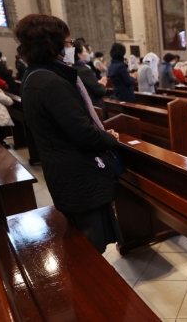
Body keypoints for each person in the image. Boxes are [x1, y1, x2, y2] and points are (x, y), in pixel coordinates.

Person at [16, 14, 123, 253]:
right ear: (51, 44)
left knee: (86, 243)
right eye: (66, 43)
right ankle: (91, 288)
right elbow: (83, 133)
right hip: (78, 177)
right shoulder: (51, 82)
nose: (70, 47)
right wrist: (110, 138)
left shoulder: (33, 75)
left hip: (63, 171)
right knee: (89, 247)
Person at [72, 41, 107, 108]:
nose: (88, 53)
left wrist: (96, 82)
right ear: (79, 55)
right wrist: (102, 84)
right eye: (85, 51)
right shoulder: (84, 70)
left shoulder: (73, 67)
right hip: (93, 105)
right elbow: (99, 91)